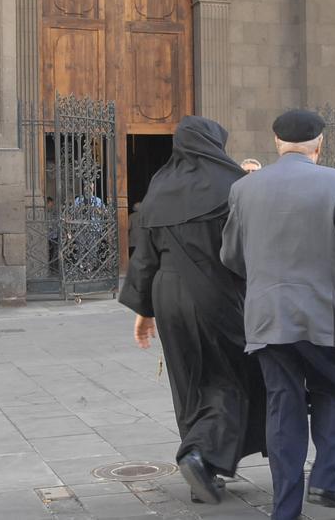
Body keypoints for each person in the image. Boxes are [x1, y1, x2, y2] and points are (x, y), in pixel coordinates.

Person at [221, 109, 335, 520]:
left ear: (276, 142)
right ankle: (327, 477)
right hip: (321, 315)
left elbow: (230, 255)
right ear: (320, 144)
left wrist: (265, 280)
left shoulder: (245, 189)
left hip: (267, 315)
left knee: (283, 408)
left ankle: (285, 509)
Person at [119, 116, 268, 505]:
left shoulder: (159, 186)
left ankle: (204, 475)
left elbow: (144, 257)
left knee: (188, 379)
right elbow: (248, 249)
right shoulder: (233, 184)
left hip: (167, 294)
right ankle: (199, 455)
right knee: (230, 375)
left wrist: (144, 310)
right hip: (216, 292)